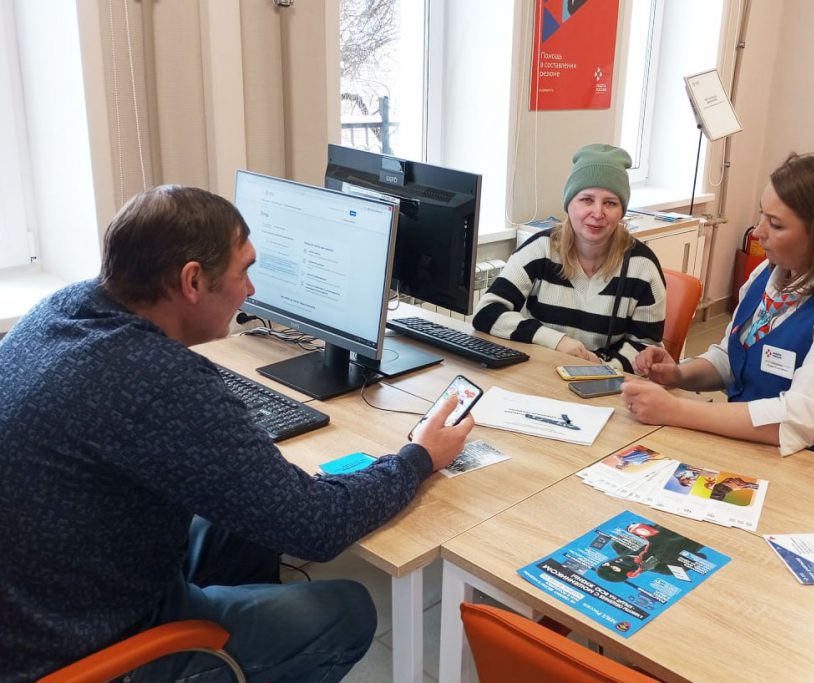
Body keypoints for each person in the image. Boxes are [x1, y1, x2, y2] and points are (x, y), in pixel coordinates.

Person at [0, 185, 474, 682]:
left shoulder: (63, 308)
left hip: (43, 600)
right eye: (243, 271)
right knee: (347, 610)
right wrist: (418, 458)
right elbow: (316, 527)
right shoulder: (156, 379)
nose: (250, 290)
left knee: (244, 526)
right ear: (192, 281)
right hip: (82, 646)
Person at [623, 153, 814, 480]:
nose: (757, 232)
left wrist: (675, 410)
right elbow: (733, 356)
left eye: (776, 224)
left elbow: (798, 419)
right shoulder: (771, 274)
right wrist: (679, 375)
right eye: (761, 215)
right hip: (776, 457)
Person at [472, 143, 666, 372]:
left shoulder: (643, 267)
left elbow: (646, 348)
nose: (597, 213)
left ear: (622, 211)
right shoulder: (540, 249)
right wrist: (557, 341)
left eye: (610, 203)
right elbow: (486, 312)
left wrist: (600, 371)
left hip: (607, 380)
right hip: (540, 373)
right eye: (586, 199)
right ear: (568, 204)